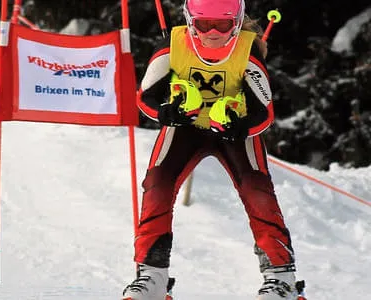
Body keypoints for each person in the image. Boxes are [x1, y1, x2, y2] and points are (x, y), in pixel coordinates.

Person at [123, 0, 301, 299]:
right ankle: (151, 274)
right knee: (158, 184)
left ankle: (281, 278)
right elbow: (145, 97)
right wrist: (167, 113)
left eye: (224, 24)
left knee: (257, 190)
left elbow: (264, 113)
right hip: (185, 127)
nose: (214, 32)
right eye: (205, 25)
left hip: (232, 130)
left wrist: (240, 127)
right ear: (191, 21)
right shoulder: (173, 44)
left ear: (238, 21)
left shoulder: (248, 49)